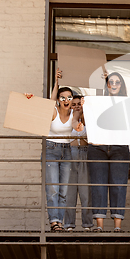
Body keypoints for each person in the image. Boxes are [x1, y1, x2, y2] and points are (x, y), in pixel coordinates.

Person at [74, 71, 130, 232]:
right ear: (106, 85)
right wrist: (86, 105)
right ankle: (99, 225)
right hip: (98, 147)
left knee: (119, 186)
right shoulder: (97, 101)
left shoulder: (127, 102)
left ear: (121, 85)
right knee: (98, 185)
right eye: (110, 81)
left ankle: (117, 226)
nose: (113, 84)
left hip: (119, 147)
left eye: (117, 82)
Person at [27, 68, 73, 231]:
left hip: (67, 150)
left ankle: (59, 222)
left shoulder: (74, 114)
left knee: (64, 189)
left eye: (69, 97)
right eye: (63, 97)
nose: (66, 100)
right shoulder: (52, 111)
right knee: (53, 187)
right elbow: (48, 103)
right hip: (51, 149)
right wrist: (56, 83)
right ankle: (54, 221)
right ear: (59, 99)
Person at [64, 95, 93, 231]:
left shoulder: (89, 119)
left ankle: (87, 224)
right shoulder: (68, 120)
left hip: (85, 153)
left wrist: (83, 115)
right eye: (73, 104)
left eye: (79, 104)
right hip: (72, 153)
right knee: (70, 192)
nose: (76, 106)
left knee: (86, 192)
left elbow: (91, 138)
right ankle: (69, 224)